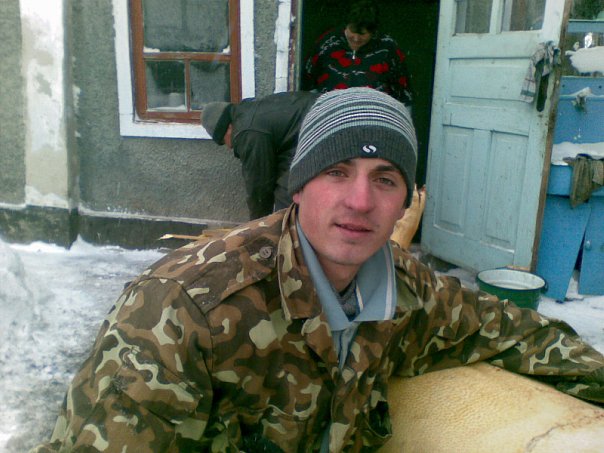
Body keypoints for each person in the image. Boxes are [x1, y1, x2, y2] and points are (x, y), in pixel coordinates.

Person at [33, 88, 603, 453]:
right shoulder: (179, 312)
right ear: (298, 186)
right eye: (336, 172)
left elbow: (521, 335)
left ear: (405, 203)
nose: (360, 201)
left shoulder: (410, 291)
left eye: (385, 179)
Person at [201, 91, 319, 219]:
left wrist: (257, 224)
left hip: (318, 127)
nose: (229, 146)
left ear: (228, 127)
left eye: (223, 140)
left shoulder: (247, 133)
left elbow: (259, 185)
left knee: (286, 200)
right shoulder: (247, 111)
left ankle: (294, 230)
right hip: (312, 120)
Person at [303, 0, 413, 107]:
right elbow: (308, 85)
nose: (356, 38)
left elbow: (403, 95)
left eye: (362, 34)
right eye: (352, 31)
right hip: (330, 113)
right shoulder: (326, 44)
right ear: (346, 25)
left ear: (373, 32)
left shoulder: (388, 49)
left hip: (375, 114)